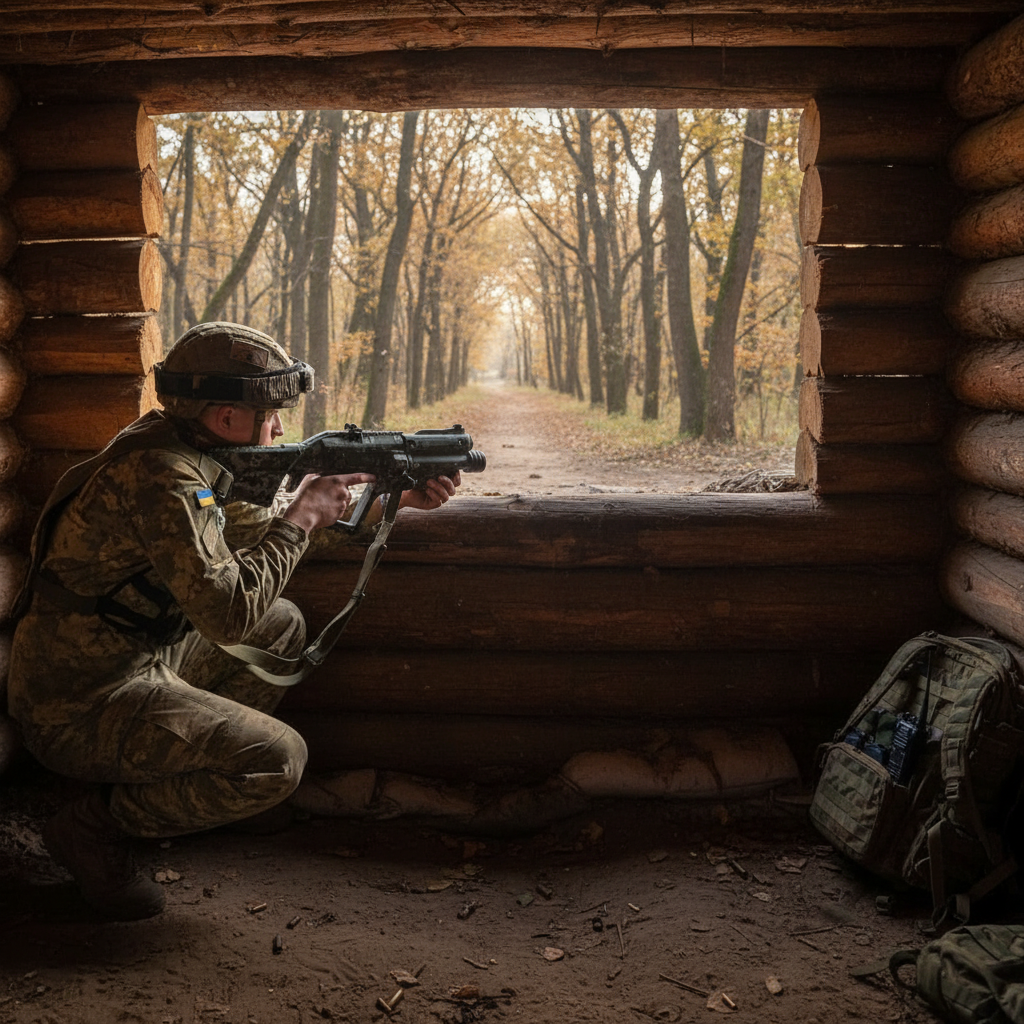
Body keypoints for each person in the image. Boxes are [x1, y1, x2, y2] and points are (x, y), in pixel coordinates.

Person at [6, 321, 460, 921]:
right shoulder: (164, 478)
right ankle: (92, 827)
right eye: (270, 414)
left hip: (133, 657)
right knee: (278, 760)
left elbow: (256, 530)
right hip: (80, 705)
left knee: (282, 624)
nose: (278, 428)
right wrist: (300, 519)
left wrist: (388, 497)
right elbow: (228, 612)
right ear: (226, 418)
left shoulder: (180, 444)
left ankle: (192, 778)